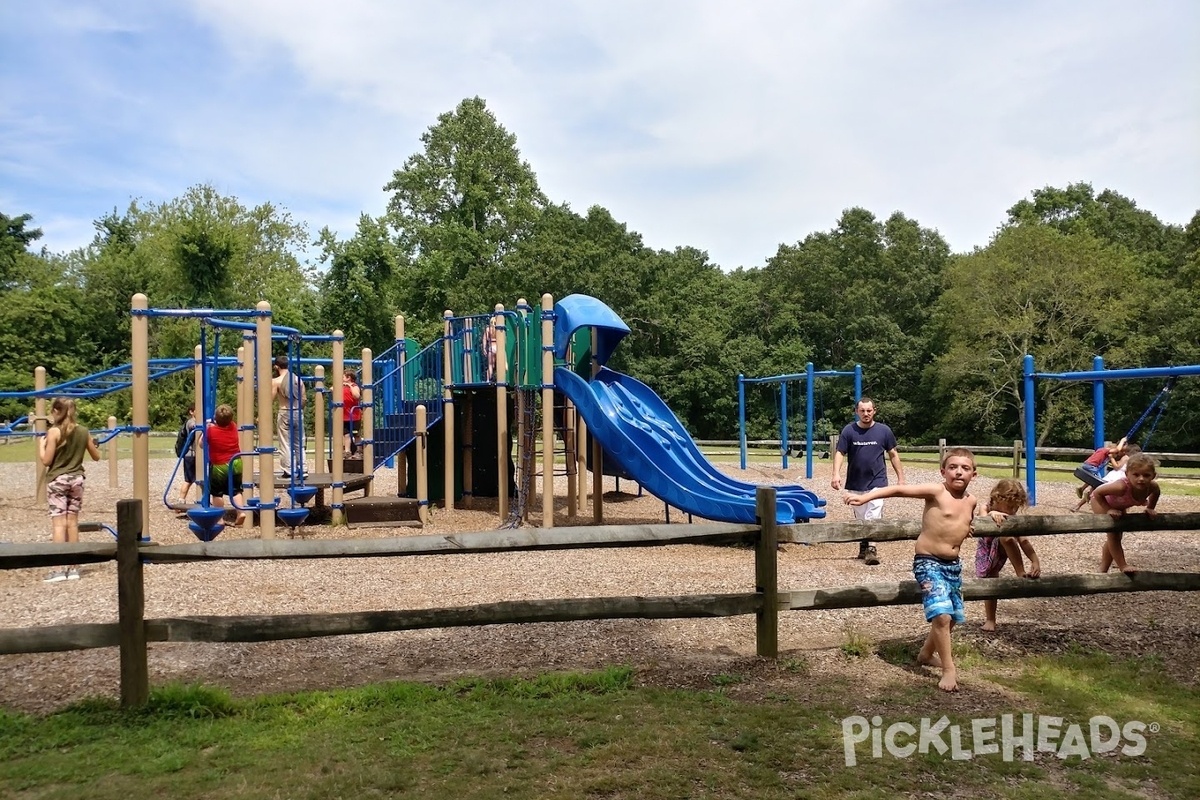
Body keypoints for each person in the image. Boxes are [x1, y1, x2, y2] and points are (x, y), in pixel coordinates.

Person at [846, 447, 977, 692]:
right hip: (928, 562)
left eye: (965, 468)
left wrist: (991, 514)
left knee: (951, 618)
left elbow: (971, 517)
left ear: (974, 475)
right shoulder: (936, 491)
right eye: (953, 467)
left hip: (953, 566)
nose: (959, 472)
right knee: (941, 615)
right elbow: (898, 489)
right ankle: (949, 670)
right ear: (943, 472)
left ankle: (926, 654)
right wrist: (866, 498)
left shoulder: (971, 500)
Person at [830, 397, 905, 565]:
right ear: (857, 412)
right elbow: (840, 453)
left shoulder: (884, 431)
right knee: (861, 515)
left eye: (869, 410)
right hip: (856, 482)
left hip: (877, 481)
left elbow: (893, 454)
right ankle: (863, 544)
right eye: (862, 411)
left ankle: (872, 548)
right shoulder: (849, 431)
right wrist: (836, 474)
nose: (866, 414)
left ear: (874, 411)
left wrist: (901, 478)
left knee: (874, 513)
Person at [38, 398, 102, 582]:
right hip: (77, 479)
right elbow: (96, 456)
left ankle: (58, 568)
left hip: (58, 479)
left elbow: (46, 461)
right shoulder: (83, 431)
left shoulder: (54, 432)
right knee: (72, 523)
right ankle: (74, 567)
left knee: (59, 524)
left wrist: (41, 447)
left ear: (57, 411)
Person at [975, 479, 1041, 631]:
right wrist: (992, 513)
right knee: (991, 584)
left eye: (1016, 508)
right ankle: (990, 619)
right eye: (1010, 507)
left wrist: (1035, 561)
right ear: (997, 499)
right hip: (987, 551)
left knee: (1008, 537)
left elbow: (1023, 540)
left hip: (1003, 548)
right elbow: (982, 517)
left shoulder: (1011, 517)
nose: (1012, 511)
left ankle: (1020, 572)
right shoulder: (985, 507)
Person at [1090, 452, 1160, 575]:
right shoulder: (1121, 486)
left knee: (1116, 536)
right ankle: (1123, 566)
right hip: (1101, 502)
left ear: (1153, 476)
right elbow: (1097, 493)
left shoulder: (1152, 487)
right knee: (1114, 534)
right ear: (1127, 474)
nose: (1141, 479)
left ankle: (1103, 569)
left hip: (1119, 505)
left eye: (1146, 475)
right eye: (1136, 475)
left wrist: (1150, 508)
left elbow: (1157, 492)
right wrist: (1108, 509)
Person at [205, 404, 246, 526]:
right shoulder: (233, 426)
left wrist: (206, 429)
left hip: (220, 465)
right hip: (236, 462)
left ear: (216, 419)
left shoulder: (211, 431)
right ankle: (241, 512)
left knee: (217, 493)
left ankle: (219, 518)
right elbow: (224, 424)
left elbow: (202, 444)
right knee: (236, 490)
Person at [1074, 443, 1141, 512]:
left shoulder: (1129, 459)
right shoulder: (1130, 459)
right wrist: (1112, 458)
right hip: (1118, 477)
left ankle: (1081, 503)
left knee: (1099, 488)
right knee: (1099, 489)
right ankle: (1081, 503)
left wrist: (1112, 458)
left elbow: (1119, 467)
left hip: (1118, 477)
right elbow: (1119, 467)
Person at [272, 355, 306, 477]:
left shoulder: (276, 381)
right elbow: (304, 399)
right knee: (299, 443)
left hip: (285, 411)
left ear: (276, 366)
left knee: (285, 443)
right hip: (298, 411)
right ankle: (303, 469)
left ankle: (288, 470)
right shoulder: (299, 380)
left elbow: (269, 399)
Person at [176, 404, 199, 507]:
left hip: (197, 455)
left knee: (203, 479)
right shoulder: (191, 422)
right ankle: (181, 501)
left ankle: (201, 499)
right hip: (191, 455)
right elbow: (193, 427)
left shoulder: (197, 422)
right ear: (191, 412)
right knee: (188, 479)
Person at [342, 370, 362, 456]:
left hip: (353, 414)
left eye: (343, 377)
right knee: (346, 434)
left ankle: (359, 450)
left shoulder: (354, 386)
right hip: (344, 415)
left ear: (348, 378)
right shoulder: (342, 386)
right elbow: (332, 389)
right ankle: (347, 451)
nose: (342, 378)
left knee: (355, 433)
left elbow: (357, 396)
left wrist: (350, 386)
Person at [483, 315, 498, 383]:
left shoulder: (488, 329)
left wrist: (484, 348)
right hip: (498, 347)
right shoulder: (498, 329)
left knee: (490, 365)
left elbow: (484, 339)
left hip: (491, 347)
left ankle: (488, 380)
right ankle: (500, 378)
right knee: (499, 364)